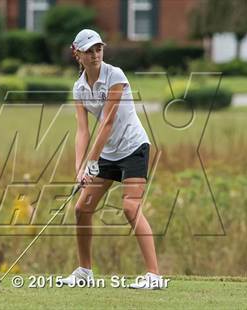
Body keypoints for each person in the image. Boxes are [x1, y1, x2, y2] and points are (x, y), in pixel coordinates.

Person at [58, 29, 162, 290]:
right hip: (108, 152)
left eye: (98, 49)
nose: (95, 55)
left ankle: (154, 276)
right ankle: (84, 272)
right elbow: (82, 130)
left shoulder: (115, 75)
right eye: (89, 51)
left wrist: (91, 163)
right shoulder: (79, 87)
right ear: (77, 54)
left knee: (130, 207)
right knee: (82, 209)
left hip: (133, 147)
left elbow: (107, 122)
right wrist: (79, 167)